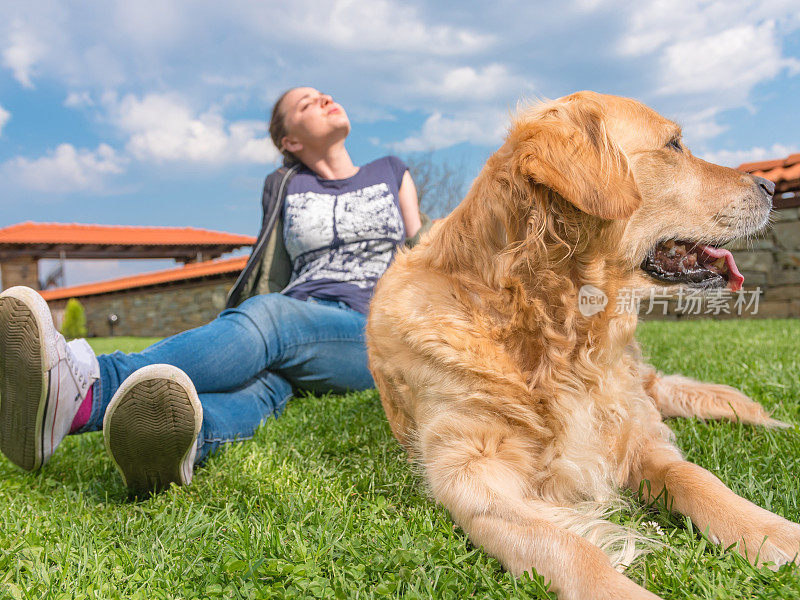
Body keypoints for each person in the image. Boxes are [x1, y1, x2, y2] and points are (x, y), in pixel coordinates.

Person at [0, 87, 432, 496]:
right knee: (264, 385)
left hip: (369, 330)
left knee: (272, 319)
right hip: (300, 317)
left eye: (323, 95)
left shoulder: (391, 171)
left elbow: (424, 251)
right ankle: (183, 438)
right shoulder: (285, 184)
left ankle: (87, 389)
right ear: (290, 141)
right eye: (304, 104)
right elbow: (270, 264)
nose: (324, 99)